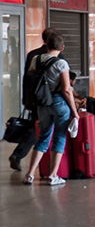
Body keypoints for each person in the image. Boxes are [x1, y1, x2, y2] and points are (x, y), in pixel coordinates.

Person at [22, 32, 79, 186]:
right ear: (62, 47)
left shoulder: (36, 59)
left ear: (46, 45)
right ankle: (53, 175)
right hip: (59, 103)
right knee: (60, 137)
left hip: (42, 103)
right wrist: (74, 112)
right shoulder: (61, 64)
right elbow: (66, 89)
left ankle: (29, 174)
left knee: (43, 137)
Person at [9, 28, 58, 171]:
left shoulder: (32, 54)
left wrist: (26, 98)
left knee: (34, 126)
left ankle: (19, 155)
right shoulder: (55, 56)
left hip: (33, 97)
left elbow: (26, 77)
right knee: (40, 129)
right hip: (48, 99)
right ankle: (21, 155)